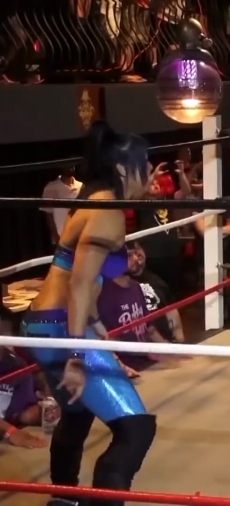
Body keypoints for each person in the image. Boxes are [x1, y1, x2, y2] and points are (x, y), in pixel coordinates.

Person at [22, 121, 156, 506]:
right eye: (144, 163)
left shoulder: (94, 200)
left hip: (45, 323)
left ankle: (62, 500)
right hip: (60, 327)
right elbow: (79, 283)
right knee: (135, 429)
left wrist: (96, 328)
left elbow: (83, 277)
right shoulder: (105, 211)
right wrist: (79, 354)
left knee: (77, 415)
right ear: (122, 167)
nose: (150, 171)